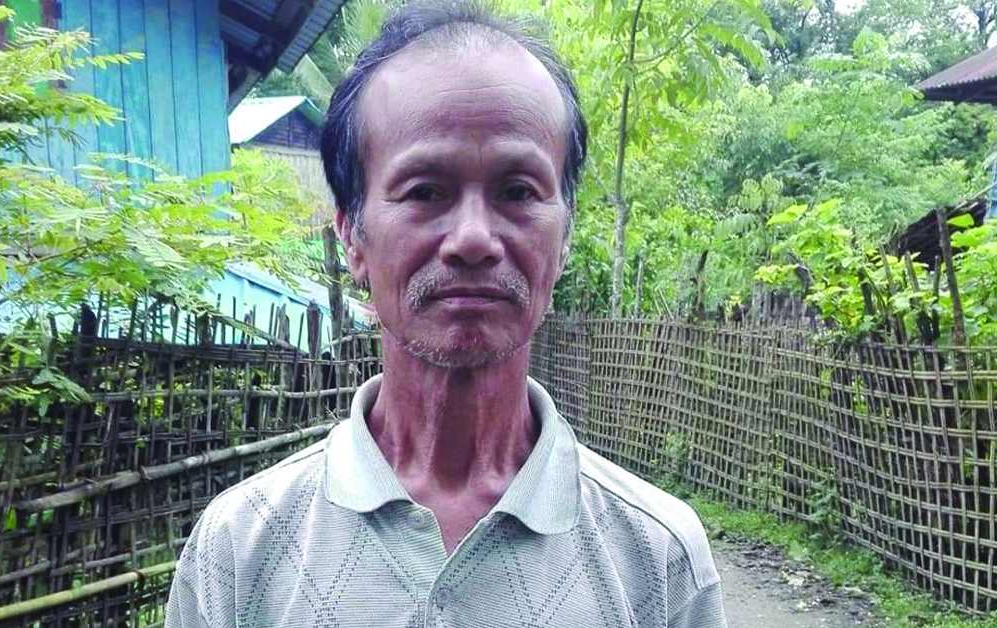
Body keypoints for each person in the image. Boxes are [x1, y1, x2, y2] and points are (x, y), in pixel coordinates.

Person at [165, 1, 726, 625]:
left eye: (518, 192)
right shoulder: (240, 551)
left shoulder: (656, 559)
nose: (473, 238)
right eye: (425, 191)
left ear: (564, 237)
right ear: (351, 235)